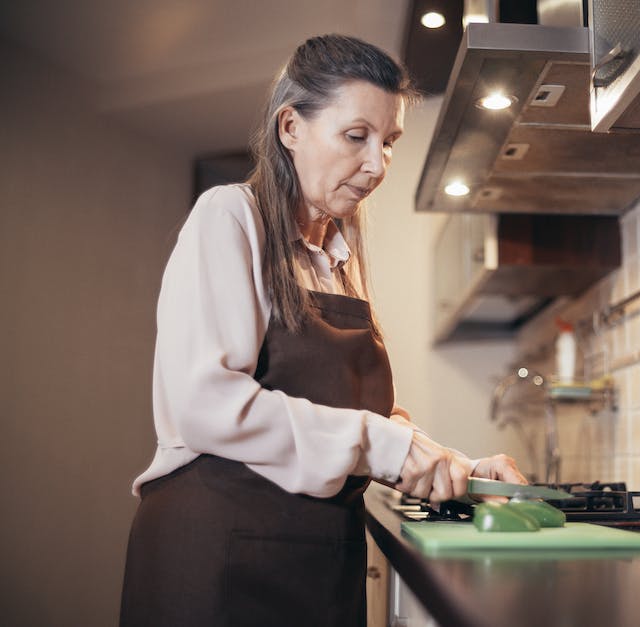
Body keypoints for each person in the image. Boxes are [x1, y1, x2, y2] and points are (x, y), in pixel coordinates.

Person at [120, 33, 525, 627]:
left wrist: (452, 465)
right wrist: (387, 445)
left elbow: (356, 419)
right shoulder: (230, 216)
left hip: (315, 557)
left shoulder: (336, 259)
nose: (377, 164)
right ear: (291, 127)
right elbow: (205, 405)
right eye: (356, 136)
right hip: (219, 558)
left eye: (389, 142)